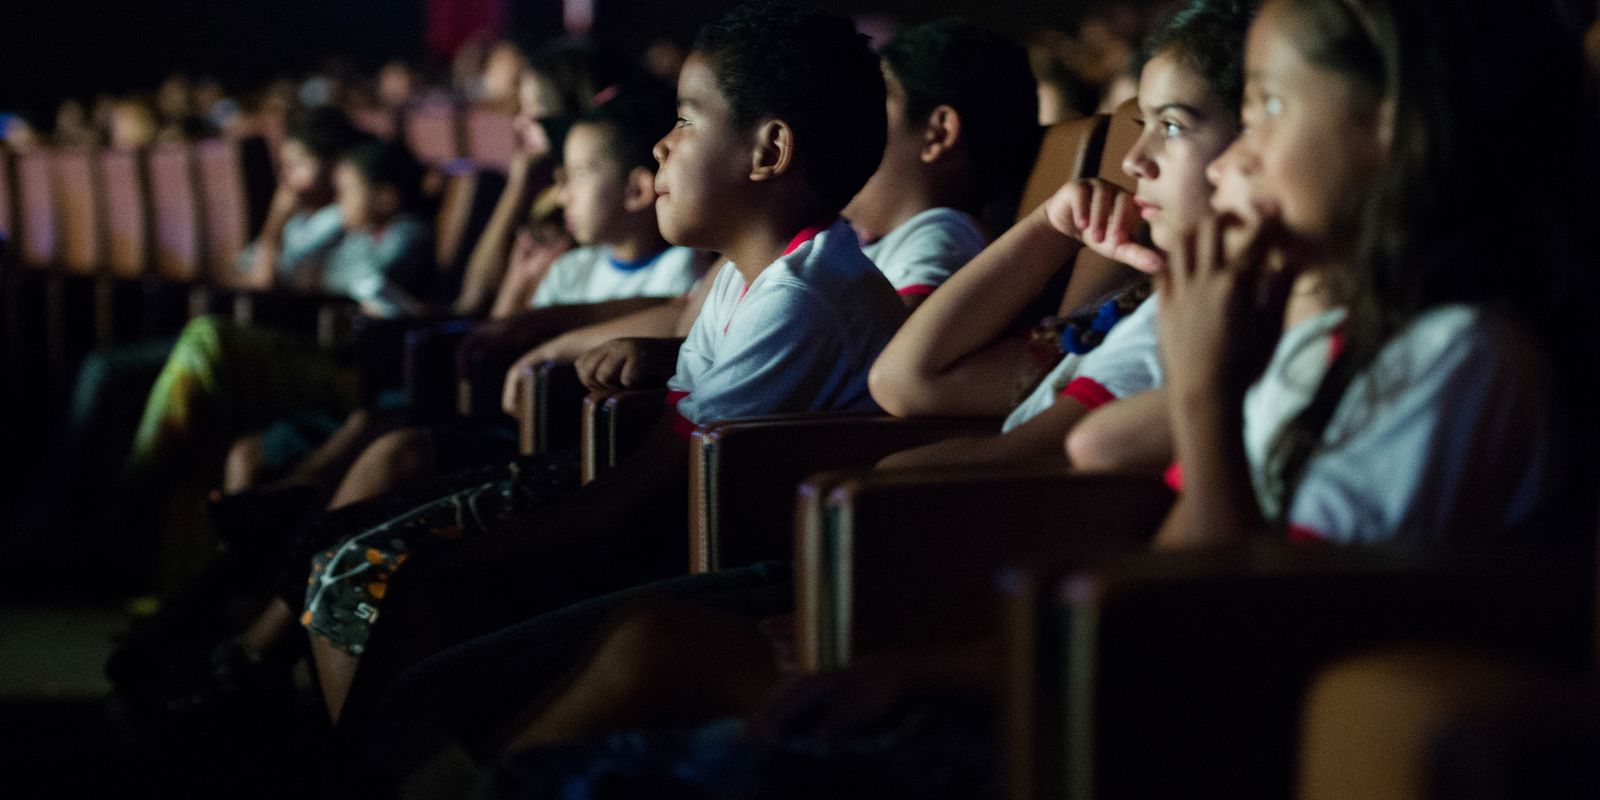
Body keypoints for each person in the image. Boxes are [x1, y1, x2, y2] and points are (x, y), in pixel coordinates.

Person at [477, 0, 1597, 794]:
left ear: (1393, 128)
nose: (1234, 157)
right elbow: (1162, 556)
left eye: (1263, 108)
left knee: (642, 681)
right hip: (1081, 671)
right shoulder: (1315, 339)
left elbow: (1219, 627)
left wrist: (1208, 384)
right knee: (641, 659)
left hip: (1156, 738)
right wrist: (932, 669)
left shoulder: (1459, 358)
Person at [281, 1, 900, 728]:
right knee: (366, 563)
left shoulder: (797, 296)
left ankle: (381, 758)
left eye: (686, 121)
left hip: (709, 560)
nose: (661, 147)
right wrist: (661, 355)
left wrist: (460, 559)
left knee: (401, 590)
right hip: (664, 528)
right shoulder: (751, 274)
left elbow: (636, 498)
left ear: (768, 151)